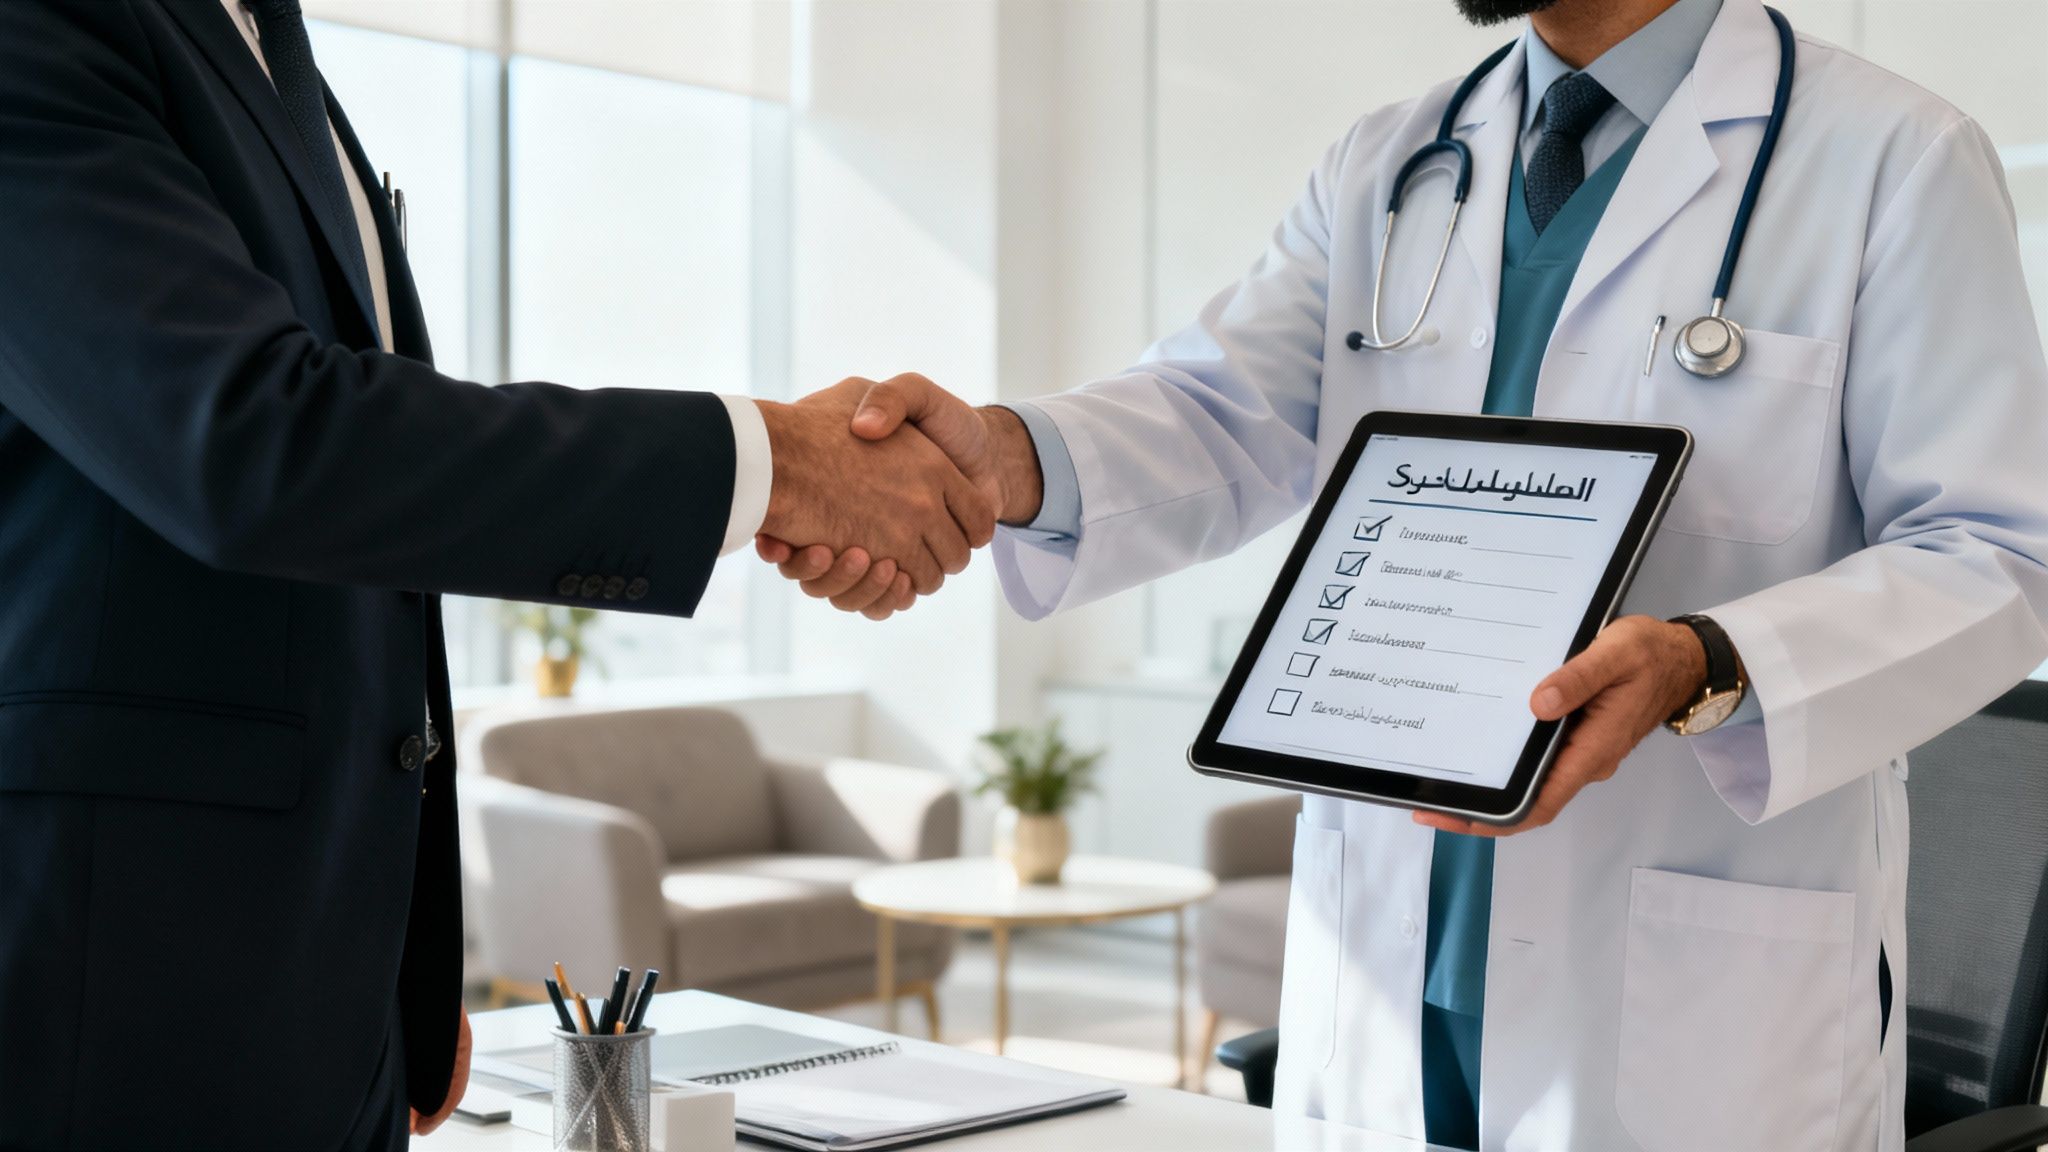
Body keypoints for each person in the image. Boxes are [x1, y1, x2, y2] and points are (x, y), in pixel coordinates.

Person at [762, 0, 2048, 1146]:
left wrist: (1704, 665)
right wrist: (995, 460)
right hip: (1388, 932)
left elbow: (1997, 553)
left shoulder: (1892, 157)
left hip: (1683, 958)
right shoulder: (1389, 158)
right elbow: (1222, 416)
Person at [0, 2, 988, 1148]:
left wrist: (402, 955)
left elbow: (353, 557)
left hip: (301, 973)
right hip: (106, 978)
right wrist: (766, 464)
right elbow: (255, 443)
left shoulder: (266, 43)